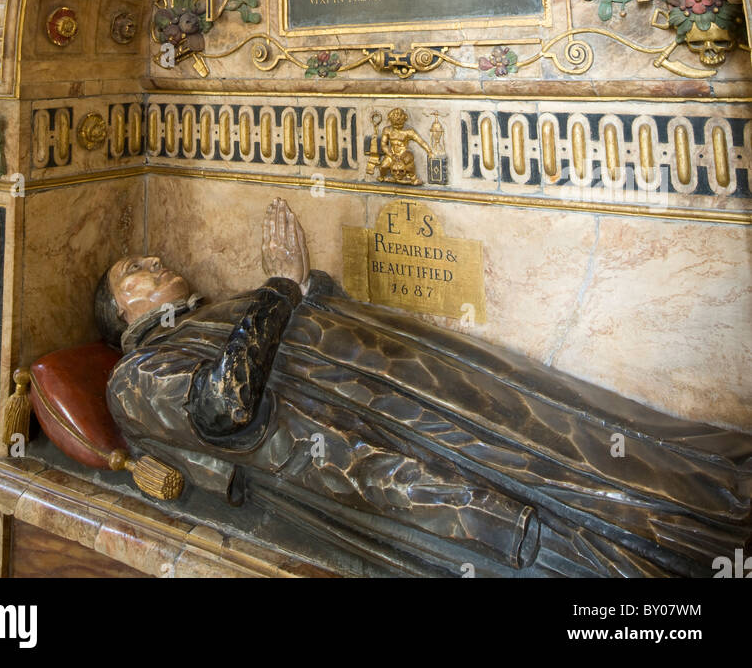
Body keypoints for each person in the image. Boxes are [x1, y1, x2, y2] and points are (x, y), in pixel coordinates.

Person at [97, 199, 751, 578]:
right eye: (134, 270)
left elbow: (304, 320)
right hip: (366, 444)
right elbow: (223, 407)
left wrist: (296, 292)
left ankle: (717, 488)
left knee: (561, 424)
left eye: (149, 257)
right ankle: (694, 548)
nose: (154, 263)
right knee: (544, 492)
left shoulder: (215, 310)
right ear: (121, 313)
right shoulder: (133, 377)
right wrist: (280, 286)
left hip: (409, 384)